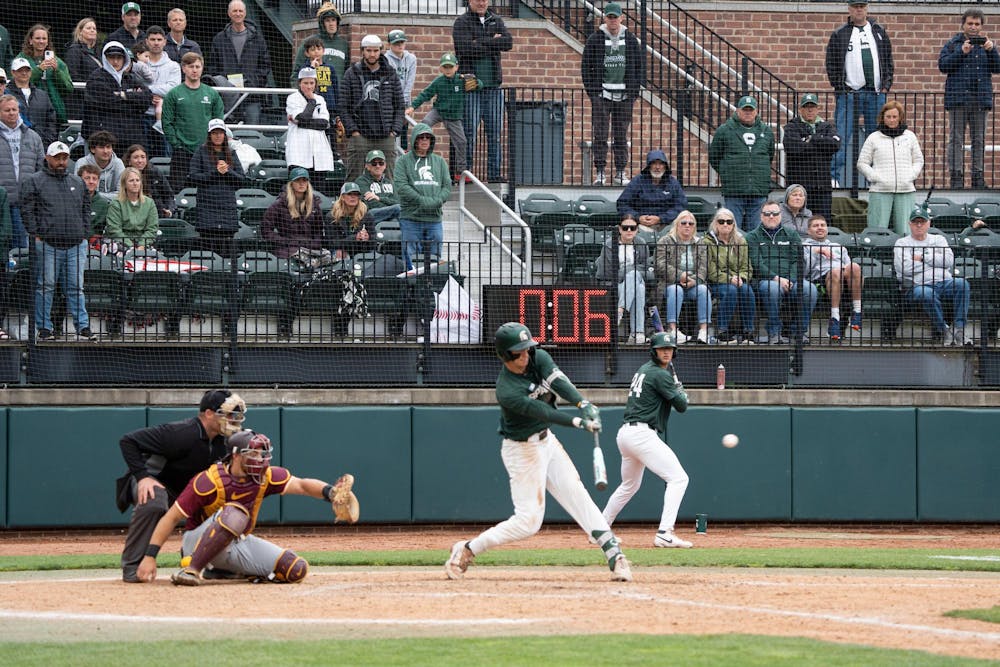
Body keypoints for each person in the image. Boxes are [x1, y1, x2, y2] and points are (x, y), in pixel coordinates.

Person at [445, 322, 632, 583]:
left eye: (526, 350)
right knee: (529, 522)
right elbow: (543, 412)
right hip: (522, 450)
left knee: (576, 493)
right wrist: (579, 422)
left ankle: (615, 555)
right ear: (503, 355)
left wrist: (583, 403)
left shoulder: (538, 357)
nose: (524, 356)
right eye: (517, 353)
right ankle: (467, 548)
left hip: (547, 442)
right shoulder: (506, 390)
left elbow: (560, 382)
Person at [136, 428, 358, 586]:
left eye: (262, 454)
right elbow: (171, 518)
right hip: (195, 544)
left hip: (234, 542)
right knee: (235, 514)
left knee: (295, 569)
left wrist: (331, 493)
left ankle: (224, 571)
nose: (260, 459)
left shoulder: (265, 476)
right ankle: (192, 570)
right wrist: (150, 556)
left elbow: (301, 485)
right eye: (252, 454)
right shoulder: (208, 481)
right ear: (235, 455)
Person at [116, 389, 245, 583]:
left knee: (226, 506)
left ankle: (216, 565)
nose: (233, 419)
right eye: (227, 414)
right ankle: (133, 567)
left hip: (187, 491)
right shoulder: (180, 433)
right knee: (154, 499)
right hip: (155, 482)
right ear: (209, 414)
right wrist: (142, 477)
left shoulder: (226, 442)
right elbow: (128, 441)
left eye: (235, 415)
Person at [602, 331, 692, 548]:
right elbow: (682, 406)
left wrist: (676, 390)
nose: (666, 352)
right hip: (641, 435)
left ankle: (601, 529)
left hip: (626, 434)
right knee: (679, 478)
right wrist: (680, 391)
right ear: (654, 351)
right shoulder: (660, 375)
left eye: (669, 349)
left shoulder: (645, 370)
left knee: (629, 485)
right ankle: (665, 533)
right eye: (662, 349)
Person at [21, 140, 93, 341]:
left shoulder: (77, 182)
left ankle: (83, 326)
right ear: (48, 158)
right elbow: (27, 210)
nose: (61, 161)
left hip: (75, 244)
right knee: (46, 286)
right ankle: (44, 327)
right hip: (47, 243)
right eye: (57, 158)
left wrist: (84, 233)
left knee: (76, 287)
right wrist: (36, 233)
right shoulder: (35, 181)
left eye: (64, 158)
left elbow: (86, 209)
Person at [826, 0, 893, 188]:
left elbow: (888, 60)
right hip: (849, 94)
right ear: (849, 9)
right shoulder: (840, 34)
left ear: (867, 8)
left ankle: (877, 178)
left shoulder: (878, 31)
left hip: (876, 94)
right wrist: (840, 88)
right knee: (841, 136)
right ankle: (834, 178)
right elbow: (831, 63)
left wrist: (886, 86)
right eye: (855, 6)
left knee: (878, 138)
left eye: (862, 6)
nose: (858, 9)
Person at [581, 2, 645, 186]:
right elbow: (586, 66)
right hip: (602, 94)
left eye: (615, 17)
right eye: (609, 17)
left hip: (624, 95)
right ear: (604, 18)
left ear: (621, 18)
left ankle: (620, 172)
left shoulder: (631, 39)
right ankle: (600, 172)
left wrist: (633, 92)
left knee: (621, 135)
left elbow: (639, 66)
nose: (612, 20)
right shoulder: (595, 39)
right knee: (600, 135)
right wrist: (594, 92)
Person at [939, 8, 1000, 190]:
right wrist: (961, 52)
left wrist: (992, 51)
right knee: (956, 139)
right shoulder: (953, 43)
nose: (973, 27)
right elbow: (943, 65)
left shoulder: (986, 45)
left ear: (981, 26)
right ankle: (956, 179)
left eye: (977, 24)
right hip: (958, 99)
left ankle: (978, 178)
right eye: (970, 23)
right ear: (963, 24)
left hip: (980, 100)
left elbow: (997, 68)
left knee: (979, 140)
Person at [894, 207, 972, 347]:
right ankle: (944, 330)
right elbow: (904, 269)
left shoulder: (938, 239)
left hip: (944, 282)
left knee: (962, 284)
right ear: (910, 224)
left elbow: (948, 261)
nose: (919, 225)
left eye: (922, 222)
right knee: (925, 293)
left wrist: (922, 258)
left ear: (928, 223)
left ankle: (959, 329)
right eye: (915, 222)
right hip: (917, 286)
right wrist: (935, 263)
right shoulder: (902, 243)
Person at [453, 0, 513, 183]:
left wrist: (479, 42)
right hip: (471, 87)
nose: (482, 3)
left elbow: (508, 42)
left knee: (495, 134)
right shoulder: (462, 22)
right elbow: (465, 49)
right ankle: (466, 173)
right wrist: (492, 42)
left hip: (493, 87)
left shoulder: (495, 19)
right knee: (469, 132)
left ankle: (494, 175)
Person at [746, 200, 817, 345]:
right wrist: (776, 278)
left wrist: (790, 279)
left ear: (780, 215)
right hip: (764, 281)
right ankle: (774, 332)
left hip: (791, 280)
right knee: (773, 288)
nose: (771, 216)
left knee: (810, 289)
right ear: (761, 216)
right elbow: (756, 263)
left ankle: (798, 331)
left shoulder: (791, 235)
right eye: (767, 214)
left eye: (775, 213)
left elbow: (797, 260)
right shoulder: (752, 236)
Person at [339, 34, 405, 182]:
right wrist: (353, 131)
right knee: (354, 179)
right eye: (368, 50)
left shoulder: (390, 73)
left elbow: (400, 106)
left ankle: (388, 205)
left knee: (389, 179)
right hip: (360, 135)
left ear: (381, 50)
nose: (372, 54)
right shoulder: (352, 73)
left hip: (386, 135)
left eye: (375, 50)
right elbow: (343, 106)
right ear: (362, 51)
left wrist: (394, 130)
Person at [406, 52, 477, 182]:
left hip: (454, 116)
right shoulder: (438, 81)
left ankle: (461, 172)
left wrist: (476, 81)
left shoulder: (461, 81)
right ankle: (411, 153)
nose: (448, 69)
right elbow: (425, 94)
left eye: (450, 67)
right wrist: (412, 107)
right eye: (445, 67)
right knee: (423, 125)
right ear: (441, 68)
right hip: (438, 111)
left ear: (456, 67)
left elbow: (480, 86)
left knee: (462, 141)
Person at [856, 100, 924, 236]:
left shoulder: (910, 136)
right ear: (882, 117)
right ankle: (875, 257)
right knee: (877, 232)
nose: (891, 120)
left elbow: (918, 160)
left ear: (900, 118)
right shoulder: (873, 137)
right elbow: (862, 163)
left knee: (905, 232)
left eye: (895, 117)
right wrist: (876, 177)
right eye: (888, 117)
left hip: (906, 191)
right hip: (880, 191)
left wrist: (910, 176)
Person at [707, 95, 774, 232]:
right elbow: (714, 157)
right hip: (734, 190)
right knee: (732, 231)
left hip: (758, 190)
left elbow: (770, 155)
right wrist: (727, 173)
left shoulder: (766, 131)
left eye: (751, 110)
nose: (748, 113)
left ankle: (753, 254)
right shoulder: (724, 130)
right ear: (737, 111)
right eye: (745, 110)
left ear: (756, 111)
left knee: (755, 232)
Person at [162, 52, 224, 191]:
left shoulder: (212, 94)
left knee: (207, 190)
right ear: (183, 68)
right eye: (191, 66)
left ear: (202, 68)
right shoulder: (174, 94)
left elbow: (218, 122)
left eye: (198, 66)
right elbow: (167, 122)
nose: (194, 70)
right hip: (181, 152)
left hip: (207, 152)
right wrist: (176, 144)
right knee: (178, 190)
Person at [395, 123, 450, 270]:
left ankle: (431, 287)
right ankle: (411, 288)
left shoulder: (440, 162)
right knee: (411, 259)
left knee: (434, 260)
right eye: (421, 137)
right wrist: (422, 200)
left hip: (434, 219)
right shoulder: (403, 161)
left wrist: (437, 201)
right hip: (411, 219)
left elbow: (447, 187)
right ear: (414, 140)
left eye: (428, 137)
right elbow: (401, 186)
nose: (425, 140)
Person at [82, 42, 153, 156]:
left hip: (131, 139)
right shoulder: (96, 78)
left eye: (119, 58)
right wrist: (132, 100)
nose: (115, 62)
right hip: (105, 142)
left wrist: (123, 95)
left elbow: (147, 98)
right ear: (105, 58)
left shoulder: (130, 78)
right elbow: (106, 102)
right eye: (111, 57)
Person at [209, 0, 272, 125]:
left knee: (253, 131)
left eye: (240, 11)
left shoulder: (257, 39)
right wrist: (225, 83)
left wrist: (252, 82)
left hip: (251, 96)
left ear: (245, 13)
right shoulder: (219, 39)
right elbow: (212, 67)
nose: (238, 14)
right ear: (229, 13)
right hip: (227, 98)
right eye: (234, 11)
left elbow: (265, 66)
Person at [188, 118, 246, 255]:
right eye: (214, 133)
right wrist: (215, 172)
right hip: (206, 208)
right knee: (207, 250)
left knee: (227, 250)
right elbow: (193, 177)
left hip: (227, 208)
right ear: (209, 135)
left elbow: (242, 180)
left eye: (220, 132)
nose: (218, 135)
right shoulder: (200, 152)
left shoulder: (231, 153)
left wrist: (227, 172)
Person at [802, 214, 862, 341]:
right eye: (815, 226)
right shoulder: (805, 247)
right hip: (820, 280)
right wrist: (816, 251)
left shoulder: (838, 247)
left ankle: (857, 311)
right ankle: (834, 317)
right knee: (836, 272)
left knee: (855, 266)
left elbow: (849, 268)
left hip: (842, 279)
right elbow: (805, 271)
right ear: (808, 230)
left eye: (822, 225)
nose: (820, 228)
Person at [656, 210, 712, 345]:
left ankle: (703, 331)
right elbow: (660, 264)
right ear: (677, 225)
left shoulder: (700, 243)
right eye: (684, 223)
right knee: (677, 290)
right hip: (670, 284)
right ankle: (673, 330)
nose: (687, 226)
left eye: (691, 223)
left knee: (704, 290)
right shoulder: (666, 240)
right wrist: (679, 275)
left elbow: (704, 267)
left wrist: (696, 280)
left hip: (693, 284)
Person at [701, 207, 756, 344]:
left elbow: (747, 267)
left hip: (738, 280)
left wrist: (741, 278)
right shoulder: (707, 242)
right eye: (721, 221)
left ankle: (748, 331)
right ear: (715, 224)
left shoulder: (741, 241)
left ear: (733, 224)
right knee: (731, 290)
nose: (725, 224)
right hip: (715, 283)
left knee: (746, 290)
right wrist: (729, 279)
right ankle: (722, 330)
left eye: (729, 221)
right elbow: (710, 270)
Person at [782, 93, 840, 221]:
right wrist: (821, 143)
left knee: (822, 223)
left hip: (822, 187)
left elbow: (835, 145)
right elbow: (793, 148)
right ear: (800, 109)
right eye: (806, 107)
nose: (810, 110)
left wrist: (811, 139)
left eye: (812, 107)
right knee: (798, 222)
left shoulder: (827, 126)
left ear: (817, 109)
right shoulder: (792, 126)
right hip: (799, 188)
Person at [595, 215, 649, 344]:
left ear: (637, 229)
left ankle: (620, 310)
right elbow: (606, 273)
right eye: (625, 228)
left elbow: (647, 269)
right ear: (619, 229)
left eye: (633, 227)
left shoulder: (641, 244)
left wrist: (628, 270)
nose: (629, 230)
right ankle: (637, 333)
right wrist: (630, 271)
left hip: (633, 282)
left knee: (635, 278)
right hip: (614, 285)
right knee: (639, 288)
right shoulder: (609, 245)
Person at [0, 94, 44, 250]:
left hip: (25, 203)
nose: (11, 113)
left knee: (22, 249)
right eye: (7, 110)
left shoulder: (33, 137)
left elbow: (41, 169)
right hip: (2, 204)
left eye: (14, 109)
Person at [16, 24, 74, 128]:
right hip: (29, 112)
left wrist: (57, 72)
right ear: (30, 40)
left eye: (44, 38)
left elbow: (68, 88)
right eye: (37, 38)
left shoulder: (58, 62)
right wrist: (39, 70)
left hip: (54, 112)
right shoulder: (21, 60)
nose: (41, 41)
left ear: (48, 42)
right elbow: (18, 83)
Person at [615, 149, 687, 233]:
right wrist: (637, 217)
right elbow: (622, 203)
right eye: (654, 163)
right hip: (641, 226)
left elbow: (681, 205)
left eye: (661, 163)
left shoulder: (673, 183)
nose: (657, 167)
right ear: (649, 166)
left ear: (665, 166)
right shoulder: (638, 181)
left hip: (667, 225)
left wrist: (661, 219)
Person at [261, 167, 325, 259]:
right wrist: (284, 241)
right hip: (287, 248)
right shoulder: (280, 203)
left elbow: (319, 230)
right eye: (297, 180)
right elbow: (266, 230)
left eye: (304, 180)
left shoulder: (314, 203)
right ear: (291, 183)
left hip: (310, 248)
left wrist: (314, 244)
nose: (301, 183)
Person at [286, 66, 334, 179]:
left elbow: (323, 124)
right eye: (305, 83)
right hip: (299, 150)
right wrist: (312, 101)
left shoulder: (321, 99)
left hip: (319, 151)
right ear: (299, 83)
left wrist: (301, 123)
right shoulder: (292, 98)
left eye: (311, 83)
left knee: (319, 190)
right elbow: (302, 117)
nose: (309, 86)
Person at [141, 26, 181, 158]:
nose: (156, 43)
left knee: (165, 155)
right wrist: (148, 95)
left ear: (164, 41)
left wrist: (147, 91)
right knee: (143, 154)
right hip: (142, 116)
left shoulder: (173, 66)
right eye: (152, 39)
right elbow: (134, 87)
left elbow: (173, 89)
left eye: (159, 39)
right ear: (146, 41)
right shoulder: (139, 65)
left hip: (166, 118)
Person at [299, 36, 339, 157]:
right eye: (312, 49)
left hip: (330, 104)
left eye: (318, 48)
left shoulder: (330, 68)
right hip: (314, 105)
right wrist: (312, 68)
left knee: (331, 130)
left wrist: (337, 108)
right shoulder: (305, 68)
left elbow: (336, 86)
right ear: (307, 53)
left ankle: (333, 153)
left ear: (323, 50)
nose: (316, 52)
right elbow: (304, 81)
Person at [5, 57, 58, 147]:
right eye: (20, 70)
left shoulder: (42, 95)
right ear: (13, 72)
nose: (24, 73)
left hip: (41, 144)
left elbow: (51, 120)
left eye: (27, 70)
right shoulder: (6, 95)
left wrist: (47, 141)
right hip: (14, 144)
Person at [291, 1, 350, 81]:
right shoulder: (310, 42)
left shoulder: (343, 45)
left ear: (337, 22)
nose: (331, 24)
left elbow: (347, 74)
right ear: (322, 23)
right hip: (314, 91)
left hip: (336, 92)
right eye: (327, 20)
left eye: (333, 20)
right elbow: (296, 72)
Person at [104, 166, 158, 251]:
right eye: (131, 181)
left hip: (143, 244)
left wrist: (141, 245)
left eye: (137, 180)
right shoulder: (116, 204)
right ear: (124, 184)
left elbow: (152, 229)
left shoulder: (150, 203)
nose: (135, 183)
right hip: (121, 243)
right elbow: (114, 229)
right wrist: (130, 246)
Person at [63, 17, 102, 122]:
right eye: (88, 28)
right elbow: (73, 75)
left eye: (94, 28)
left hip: (96, 100)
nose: (92, 30)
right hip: (80, 102)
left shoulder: (98, 52)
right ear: (80, 32)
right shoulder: (74, 50)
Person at [325, 181, 374, 260]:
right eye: (350, 194)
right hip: (342, 250)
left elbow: (374, 242)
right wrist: (355, 238)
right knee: (340, 253)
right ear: (343, 197)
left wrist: (368, 238)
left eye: (356, 194)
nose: (353, 197)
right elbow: (332, 243)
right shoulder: (332, 216)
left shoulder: (367, 215)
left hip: (361, 250)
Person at [124, 144, 175, 218]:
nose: (140, 161)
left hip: (158, 214)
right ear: (129, 161)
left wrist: (169, 210)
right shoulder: (124, 174)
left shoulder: (155, 172)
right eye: (136, 157)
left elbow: (169, 195)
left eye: (143, 157)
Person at [354, 149, 401, 223]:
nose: (378, 166)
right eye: (374, 163)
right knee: (398, 209)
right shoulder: (361, 181)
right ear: (367, 166)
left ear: (385, 165)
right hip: (370, 215)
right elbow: (371, 204)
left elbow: (398, 201)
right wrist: (390, 205)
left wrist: (379, 198)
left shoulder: (389, 182)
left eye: (381, 163)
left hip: (392, 213)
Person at [78, 130, 126, 197]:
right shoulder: (82, 163)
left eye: (108, 147)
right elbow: (79, 191)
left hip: (113, 204)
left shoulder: (118, 163)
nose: (105, 151)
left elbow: (121, 194)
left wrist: (98, 198)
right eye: (101, 147)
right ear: (92, 149)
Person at [77, 163, 110, 240]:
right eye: (87, 178)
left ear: (98, 181)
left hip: (94, 244)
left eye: (94, 179)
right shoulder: (72, 200)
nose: (91, 181)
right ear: (79, 179)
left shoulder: (103, 204)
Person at [386, 29, 416, 110]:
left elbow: (410, 81)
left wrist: (404, 100)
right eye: (396, 43)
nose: (400, 45)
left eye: (402, 42)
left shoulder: (411, 58)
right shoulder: (385, 59)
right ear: (389, 44)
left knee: (405, 122)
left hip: (405, 100)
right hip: (390, 99)